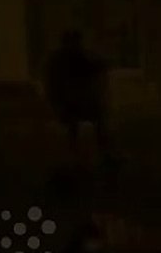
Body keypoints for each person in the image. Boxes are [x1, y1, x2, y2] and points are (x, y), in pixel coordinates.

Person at [45, 30, 115, 178]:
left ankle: (79, 155)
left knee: (79, 125)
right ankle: (102, 154)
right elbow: (92, 68)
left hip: (68, 103)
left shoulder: (58, 58)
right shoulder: (73, 57)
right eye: (77, 42)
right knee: (97, 120)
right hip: (74, 103)